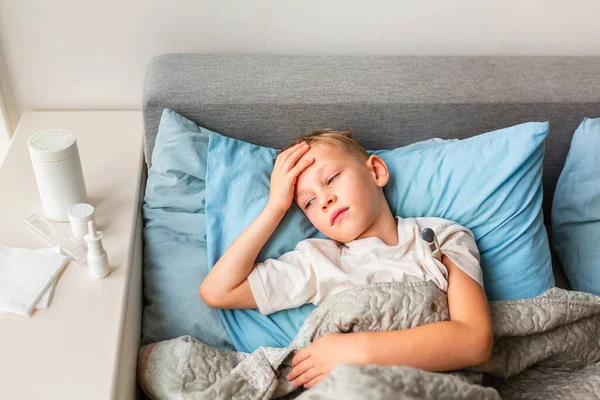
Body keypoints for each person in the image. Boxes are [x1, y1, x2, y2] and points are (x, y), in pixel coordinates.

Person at [200, 129, 493, 389]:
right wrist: (275, 207)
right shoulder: (319, 261)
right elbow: (218, 291)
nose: (324, 199)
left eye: (331, 179)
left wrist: (354, 350)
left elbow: (474, 342)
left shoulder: (441, 238)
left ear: (376, 171)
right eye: (309, 202)